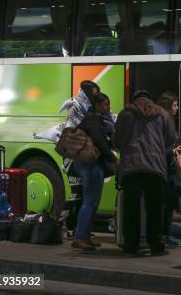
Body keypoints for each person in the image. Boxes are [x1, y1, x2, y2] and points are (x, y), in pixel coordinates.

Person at [114, 90, 176, 256]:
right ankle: (156, 245)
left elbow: (117, 140)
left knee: (131, 208)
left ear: (134, 100)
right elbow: (171, 139)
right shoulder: (162, 114)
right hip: (155, 167)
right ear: (150, 99)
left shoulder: (125, 114)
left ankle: (130, 245)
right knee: (155, 208)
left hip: (131, 167)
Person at [71, 92, 115, 251]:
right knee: (90, 201)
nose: (108, 107)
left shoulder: (96, 119)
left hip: (91, 164)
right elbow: (100, 141)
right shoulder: (92, 119)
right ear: (97, 105)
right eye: (106, 104)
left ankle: (86, 235)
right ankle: (80, 236)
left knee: (93, 201)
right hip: (90, 165)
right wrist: (112, 158)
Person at [157, 91, 181, 248]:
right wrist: (172, 151)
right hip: (164, 170)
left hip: (169, 170)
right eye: (175, 105)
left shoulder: (166, 122)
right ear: (167, 107)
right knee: (164, 205)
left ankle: (165, 235)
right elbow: (157, 149)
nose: (177, 108)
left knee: (168, 205)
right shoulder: (161, 123)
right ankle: (163, 236)